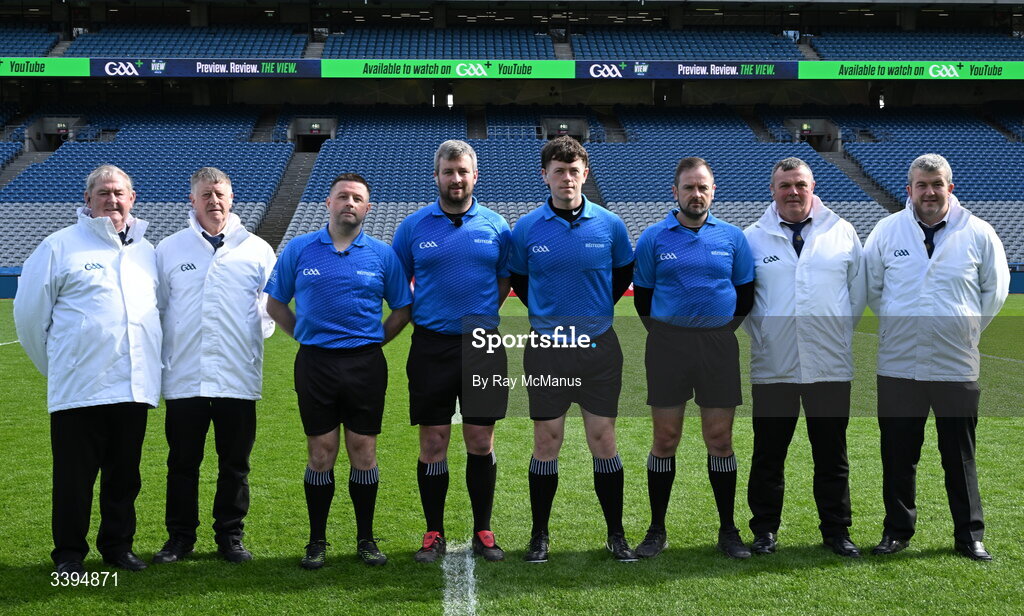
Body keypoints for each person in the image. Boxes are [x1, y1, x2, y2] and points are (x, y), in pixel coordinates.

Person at [14, 164, 161, 574]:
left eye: (119, 193)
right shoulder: (59, 246)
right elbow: (28, 317)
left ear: (132, 200)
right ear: (88, 200)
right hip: (79, 388)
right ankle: (69, 555)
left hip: (132, 387)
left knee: (124, 478)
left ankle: (118, 547)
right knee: (74, 481)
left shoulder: (146, 252)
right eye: (103, 193)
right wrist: (60, 367)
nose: (112, 200)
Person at [864, 153, 1009, 561]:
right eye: (921, 185)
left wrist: (964, 331)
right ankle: (896, 531)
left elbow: (994, 293)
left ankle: (969, 535)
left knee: (959, 455)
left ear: (950, 186)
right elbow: (873, 288)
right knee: (897, 454)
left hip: (955, 364)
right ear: (908, 190)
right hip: (898, 363)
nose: (930, 192)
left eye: (937, 184)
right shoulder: (886, 231)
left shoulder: (979, 233)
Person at [265, 173, 412, 568]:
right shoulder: (299, 249)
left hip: (365, 364)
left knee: (364, 452)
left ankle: (366, 539)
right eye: (342, 196)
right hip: (315, 364)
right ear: (328, 203)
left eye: (357, 198)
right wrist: (306, 336)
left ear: (367, 208)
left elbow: (403, 308)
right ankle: (317, 540)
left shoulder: (382, 255)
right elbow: (275, 304)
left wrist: (374, 342)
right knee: (321, 453)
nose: (349, 202)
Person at [508, 136, 637, 563]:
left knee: (603, 439)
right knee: (547, 440)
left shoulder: (611, 225)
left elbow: (620, 278)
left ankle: (616, 534)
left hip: (599, 347)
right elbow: (523, 285)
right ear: (545, 175)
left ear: (585, 174)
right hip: (547, 349)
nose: (567, 178)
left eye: (574, 170)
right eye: (559, 171)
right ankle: (539, 535)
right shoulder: (526, 228)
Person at [391, 141, 512, 563]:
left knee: (480, 439)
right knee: (434, 441)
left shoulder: (497, 226)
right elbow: (397, 282)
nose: (455, 178)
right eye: (448, 171)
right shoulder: (412, 227)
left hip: (483, 345)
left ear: (474, 176)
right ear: (437, 176)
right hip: (430, 346)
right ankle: (434, 532)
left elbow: (502, 282)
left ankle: (483, 529)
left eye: (462, 171)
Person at [742, 157, 866, 558]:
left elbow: (857, 294)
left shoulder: (842, 232)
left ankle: (836, 530)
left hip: (830, 365)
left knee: (832, 454)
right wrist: (762, 337)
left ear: (813, 187)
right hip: (773, 365)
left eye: (800, 184)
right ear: (772, 190)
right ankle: (764, 530)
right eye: (784, 185)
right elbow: (745, 301)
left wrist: (837, 335)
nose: (793, 192)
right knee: (768, 455)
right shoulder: (751, 238)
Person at [632, 157, 755, 559]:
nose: (696, 194)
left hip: (718, 347)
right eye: (689, 187)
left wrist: (715, 333)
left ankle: (728, 530)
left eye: (703, 187)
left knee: (719, 440)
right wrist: (674, 335)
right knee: (665, 439)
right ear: (675, 192)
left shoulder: (734, 238)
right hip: (667, 346)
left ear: (713, 191)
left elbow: (745, 296)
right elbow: (645, 301)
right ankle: (656, 529)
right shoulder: (653, 238)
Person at [153, 167, 277, 565]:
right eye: (205, 194)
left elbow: (268, 311)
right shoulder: (169, 250)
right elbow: (159, 308)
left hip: (237, 378)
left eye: (220, 194)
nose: (213, 201)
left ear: (232, 197)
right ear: (192, 200)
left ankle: (230, 536)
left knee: (235, 464)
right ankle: (179, 538)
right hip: (185, 378)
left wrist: (246, 340)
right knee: (182, 464)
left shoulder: (257, 249)